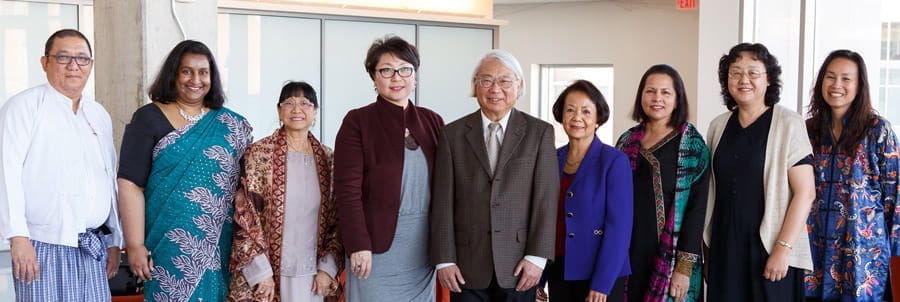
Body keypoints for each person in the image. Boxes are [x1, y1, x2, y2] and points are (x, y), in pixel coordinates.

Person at [117, 40, 253, 301]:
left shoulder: (231, 125)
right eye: (187, 71)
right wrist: (134, 245)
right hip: (165, 244)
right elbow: (130, 183)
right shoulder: (149, 117)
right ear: (173, 74)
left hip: (219, 246)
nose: (196, 79)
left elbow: (248, 189)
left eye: (203, 72)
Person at [0, 28, 123, 301]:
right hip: (41, 244)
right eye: (63, 57)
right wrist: (18, 237)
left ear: (90, 65)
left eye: (82, 59)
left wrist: (115, 239)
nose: (73, 66)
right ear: (45, 63)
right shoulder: (24, 107)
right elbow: (5, 174)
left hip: (93, 244)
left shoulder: (98, 114)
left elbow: (108, 178)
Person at [430, 49, 558, 302]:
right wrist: (444, 260)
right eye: (486, 80)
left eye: (504, 81)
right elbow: (442, 202)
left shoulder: (539, 133)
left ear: (519, 85)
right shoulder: (451, 134)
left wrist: (537, 258)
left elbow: (546, 199)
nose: (495, 89)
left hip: (521, 264)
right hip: (465, 267)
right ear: (475, 86)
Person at [333, 36, 444, 302]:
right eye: (386, 70)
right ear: (373, 76)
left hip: (424, 246)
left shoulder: (432, 121)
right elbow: (346, 192)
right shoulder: (358, 122)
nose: (397, 77)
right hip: (374, 247)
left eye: (405, 69)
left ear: (415, 76)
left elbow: (447, 187)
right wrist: (358, 244)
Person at [704, 43, 816, 301]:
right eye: (736, 72)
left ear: (769, 80)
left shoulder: (789, 123)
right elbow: (711, 192)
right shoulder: (718, 126)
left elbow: (805, 192)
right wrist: (708, 252)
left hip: (770, 249)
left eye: (753, 72)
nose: (744, 80)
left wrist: (783, 249)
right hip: (725, 247)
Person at [228, 82, 344, 302]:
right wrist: (261, 274)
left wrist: (327, 269)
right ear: (279, 111)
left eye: (304, 103)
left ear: (315, 112)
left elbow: (338, 220)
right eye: (289, 103)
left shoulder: (330, 160)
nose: (296, 109)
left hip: (313, 276)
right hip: (267, 274)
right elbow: (245, 216)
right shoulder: (258, 155)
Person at [804, 50, 900, 301]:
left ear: (859, 85)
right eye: (830, 77)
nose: (836, 85)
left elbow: (894, 195)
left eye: (846, 79)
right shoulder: (808, 131)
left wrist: (895, 252)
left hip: (863, 252)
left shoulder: (878, 130)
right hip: (815, 247)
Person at [615, 65, 709, 302]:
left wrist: (684, 268)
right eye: (651, 91)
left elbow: (697, 211)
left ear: (677, 99)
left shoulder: (692, 146)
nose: (657, 98)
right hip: (626, 255)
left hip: (670, 261)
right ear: (641, 97)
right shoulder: (626, 141)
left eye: (666, 92)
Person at [549, 80, 632, 302]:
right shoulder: (552, 158)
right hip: (559, 271)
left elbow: (619, 229)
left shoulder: (614, 161)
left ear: (598, 119)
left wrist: (602, 284)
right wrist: (541, 275)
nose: (577, 117)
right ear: (561, 116)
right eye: (570, 110)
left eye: (586, 111)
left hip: (599, 275)